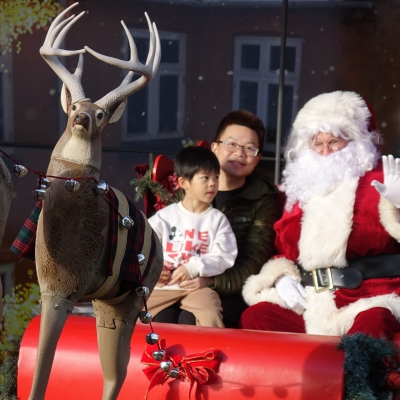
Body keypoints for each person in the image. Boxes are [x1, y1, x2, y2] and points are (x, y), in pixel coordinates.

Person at [240, 91, 400, 342]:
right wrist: (281, 276)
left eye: (334, 141)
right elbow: (284, 249)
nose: (325, 151)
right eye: (317, 143)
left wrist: (397, 206)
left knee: (372, 327)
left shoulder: (385, 181)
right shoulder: (301, 187)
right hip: (311, 301)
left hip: (368, 297)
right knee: (257, 318)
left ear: (356, 141)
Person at [154, 110, 282, 327]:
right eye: (232, 144)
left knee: (190, 319)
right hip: (174, 284)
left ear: (257, 159)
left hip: (229, 289)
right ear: (214, 148)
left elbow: (254, 260)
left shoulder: (263, 200)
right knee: (160, 318)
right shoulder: (186, 193)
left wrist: (212, 281)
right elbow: (158, 242)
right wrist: (155, 272)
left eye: (249, 148)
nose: (240, 153)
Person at [146, 146, 238, 327]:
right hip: (161, 288)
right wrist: (153, 270)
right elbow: (142, 246)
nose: (213, 183)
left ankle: (211, 346)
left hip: (196, 288)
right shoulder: (165, 217)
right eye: (205, 177)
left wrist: (194, 267)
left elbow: (224, 255)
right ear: (184, 182)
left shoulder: (217, 220)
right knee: (136, 312)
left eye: (216, 177)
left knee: (210, 313)